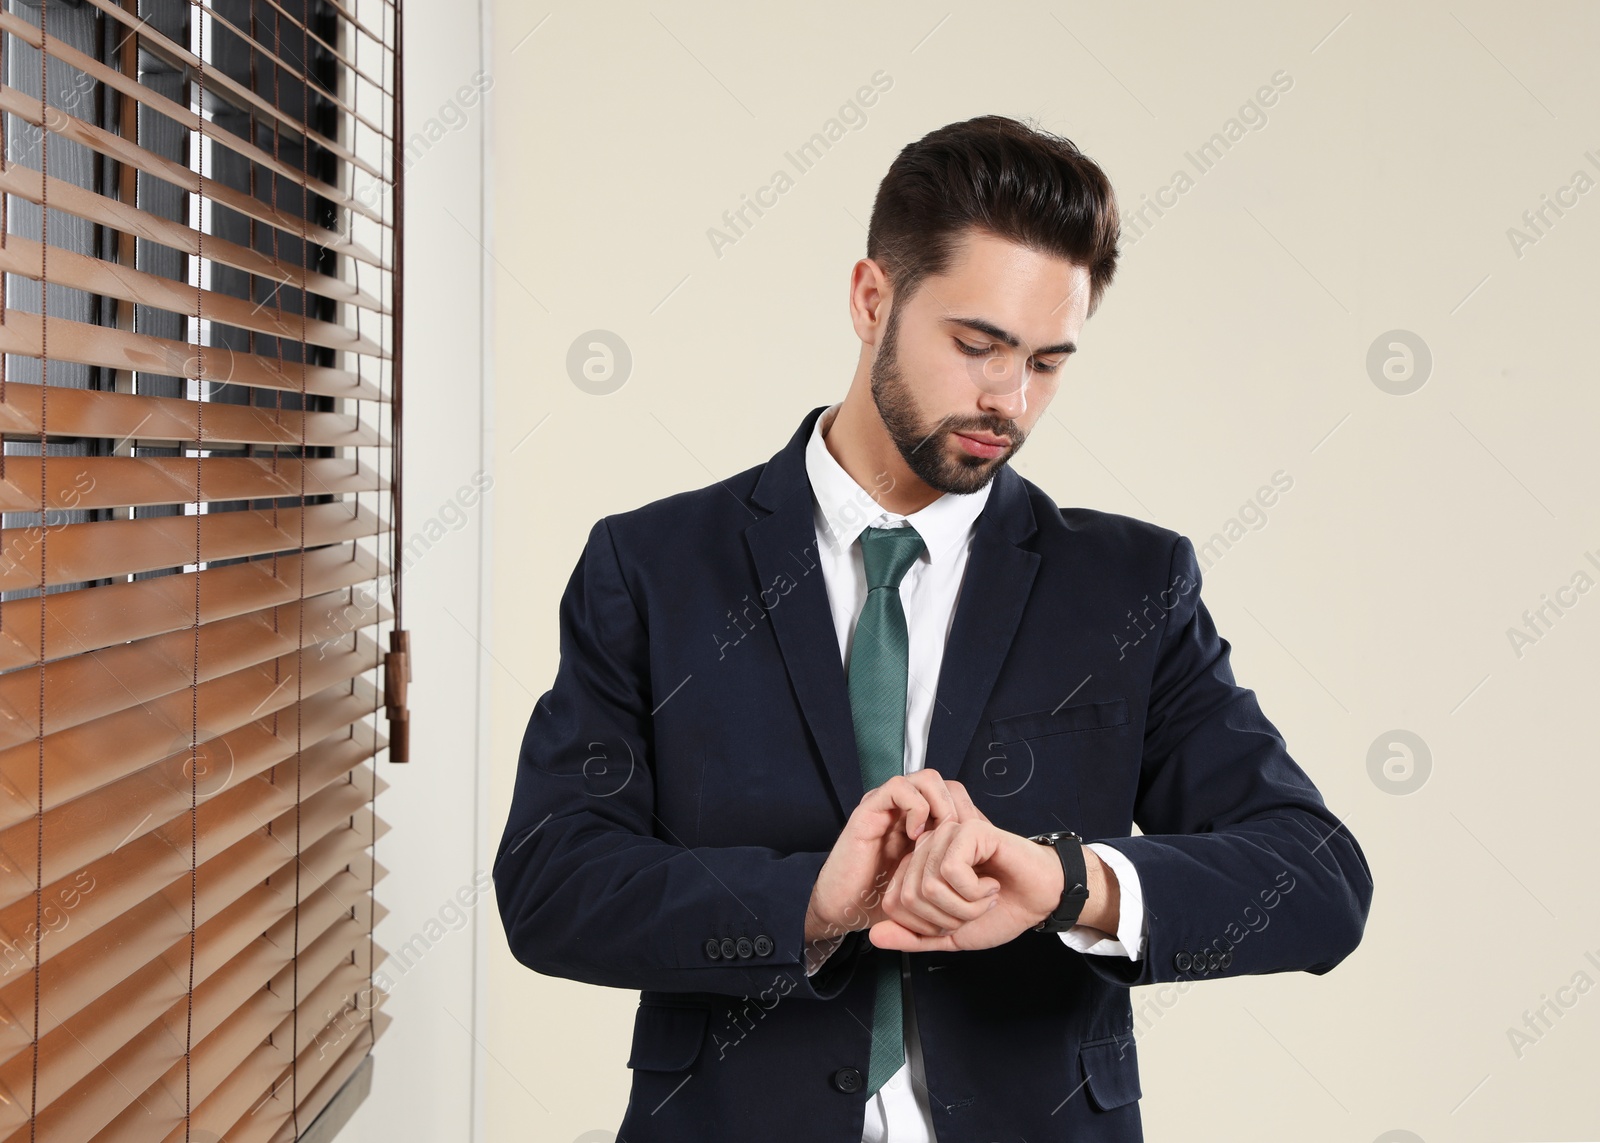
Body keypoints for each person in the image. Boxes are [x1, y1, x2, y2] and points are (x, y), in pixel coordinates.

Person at [492, 114, 1373, 1143]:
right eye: (978, 345)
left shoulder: (1129, 584)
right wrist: (806, 903)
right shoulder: (651, 566)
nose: (1008, 398)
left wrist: (1065, 880)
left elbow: (1315, 878)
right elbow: (552, 881)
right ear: (873, 300)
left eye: (1048, 362)